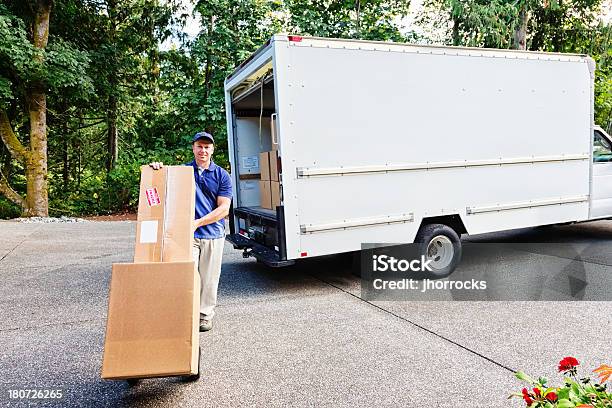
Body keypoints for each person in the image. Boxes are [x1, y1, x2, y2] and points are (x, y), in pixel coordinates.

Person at [150, 131, 232, 332]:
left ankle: (205, 316)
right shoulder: (183, 171)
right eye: (199, 146)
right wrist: (156, 170)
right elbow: (161, 186)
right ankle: (186, 314)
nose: (203, 150)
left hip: (213, 234)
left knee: (209, 278)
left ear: (212, 150)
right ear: (193, 148)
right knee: (187, 276)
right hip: (188, 236)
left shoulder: (221, 175)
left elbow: (224, 209)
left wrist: (198, 222)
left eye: (207, 147)